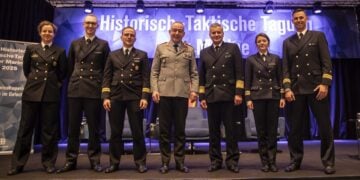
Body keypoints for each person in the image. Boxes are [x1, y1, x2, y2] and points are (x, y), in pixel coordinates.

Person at [7, 20, 67, 175]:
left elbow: (62, 73)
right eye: (44, 31)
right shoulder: (31, 49)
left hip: (50, 94)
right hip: (31, 93)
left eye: (50, 31)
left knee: (50, 131)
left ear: (54, 34)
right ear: (40, 33)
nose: (47, 34)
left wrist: (54, 85)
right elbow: (27, 70)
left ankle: (48, 163)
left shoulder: (60, 51)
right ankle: (17, 164)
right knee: (25, 129)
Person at [282, 8, 335, 174]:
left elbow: (326, 62)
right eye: (296, 18)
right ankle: (295, 160)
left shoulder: (317, 36)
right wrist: (287, 88)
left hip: (316, 88)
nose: (298, 20)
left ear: (306, 19)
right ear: (292, 21)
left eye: (301, 18)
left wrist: (325, 83)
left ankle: (328, 162)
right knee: (295, 129)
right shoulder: (287, 42)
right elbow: (286, 69)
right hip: (296, 91)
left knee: (325, 126)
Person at [57, 14, 110, 173]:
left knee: (94, 128)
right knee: (73, 128)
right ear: (83, 24)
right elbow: (70, 67)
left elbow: (106, 70)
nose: (90, 26)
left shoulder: (103, 44)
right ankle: (70, 160)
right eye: (88, 23)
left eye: (93, 23)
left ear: (97, 26)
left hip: (94, 89)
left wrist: (104, 91)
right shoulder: (74, 43)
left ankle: (94, 160)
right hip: (75, 89)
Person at [150, 21, 199, 174]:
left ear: (183, 33)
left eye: (180, 31)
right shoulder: (161, 48)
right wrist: (155, 90)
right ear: (169, 32)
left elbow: (194, 73)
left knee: (180, 131)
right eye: (174, 30)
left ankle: (180, 162)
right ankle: (165, 162)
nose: (177, 33)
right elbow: (154, 72)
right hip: (164, 94)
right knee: (164, 131)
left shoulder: (189, 50)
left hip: (181, 94)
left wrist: (194, 91)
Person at [101, 26, 150, 173]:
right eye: (126, 35)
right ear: (122, 37)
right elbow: (107, 77)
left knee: (137, 132)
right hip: (116, 96)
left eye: (132, 35)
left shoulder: (142, 54)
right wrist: (105, 97)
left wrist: (144, 97)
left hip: (135, 97)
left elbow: (145, 78)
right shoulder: (112, 55)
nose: (129, 37)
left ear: (135, 38)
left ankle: (140, 162)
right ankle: (114, 162)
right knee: (115, 132)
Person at [198, 23, 243, 173]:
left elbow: (239, 72)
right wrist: (202, 96)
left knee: (231, 131)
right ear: (210, 35)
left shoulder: (232, 48)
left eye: (219, 32)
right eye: (213, 33)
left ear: (223, 33)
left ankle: (232, 161)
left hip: (229, 95)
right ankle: (215, 161)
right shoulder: (204, 52)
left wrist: (238, 93)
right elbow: (202, 77)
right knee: (213, 132)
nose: (216, 35)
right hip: (211, 96)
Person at [244, 33, 285, 172]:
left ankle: (273, 161)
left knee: (272, 131)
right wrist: (248, 99)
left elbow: (280, 78)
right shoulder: (250, 60)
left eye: (264, 41)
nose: (262, 43)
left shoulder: (276, 58)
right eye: (259, 41)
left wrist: (282, 97)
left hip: (273, 96)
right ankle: (264, 162)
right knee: (261, 131)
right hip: (257, 97)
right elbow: (247, 81)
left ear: (268, 42)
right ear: (256, 44)